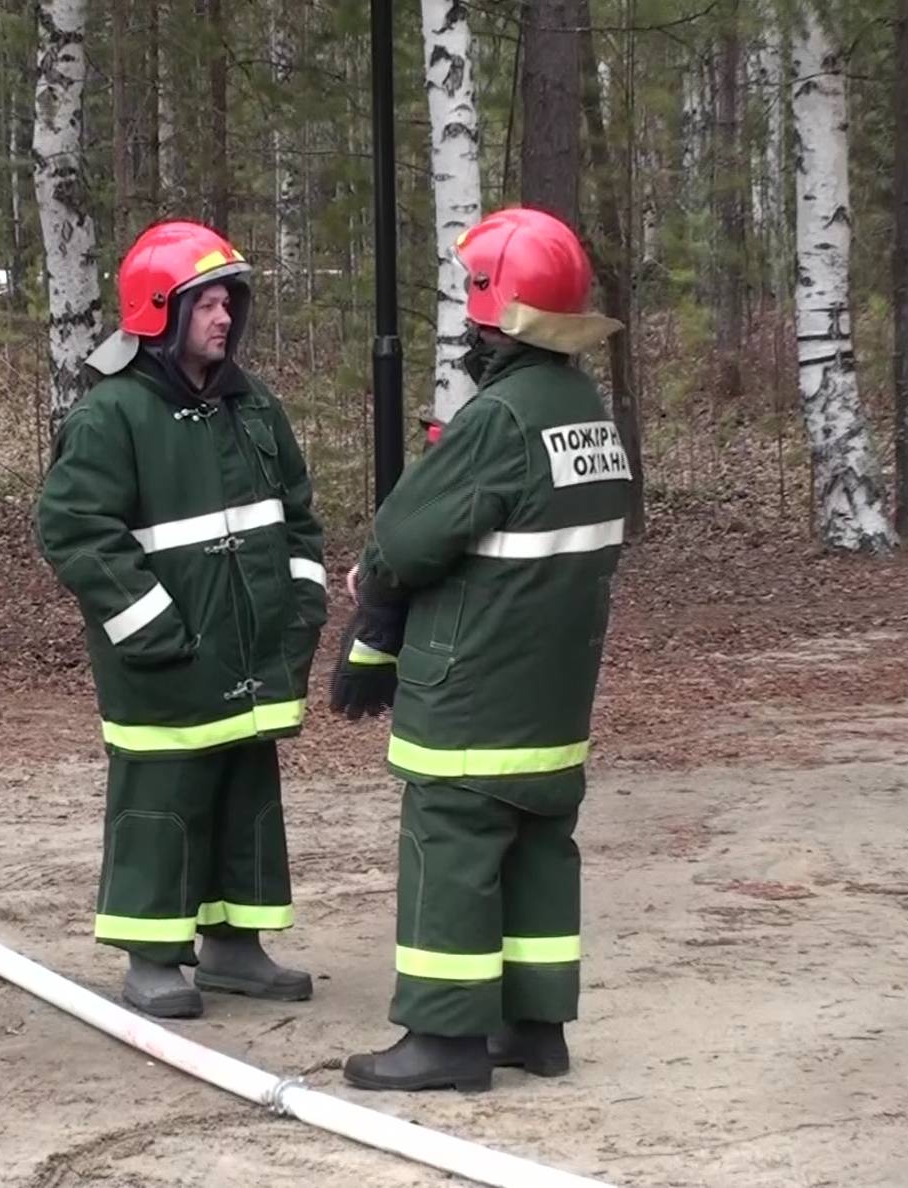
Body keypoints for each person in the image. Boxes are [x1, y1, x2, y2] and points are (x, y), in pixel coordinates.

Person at [329, 207, 631, 1092]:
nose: (466, 318)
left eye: (472, 299)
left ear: (497, 306)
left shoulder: (499, 418)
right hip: (553, 697)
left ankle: (445, 1039)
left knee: (451, 852)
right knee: (539, 850)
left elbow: (405, 536)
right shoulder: (586, 411)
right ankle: (534, 1028)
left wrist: (373, 585)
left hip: (474, 692)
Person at [35, 221, 329, 1019]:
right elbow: (73, 531)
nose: (223, 317)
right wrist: (152, 624)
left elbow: (297, 516)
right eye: (203, 302)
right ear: (159, 311)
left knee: (244, 792)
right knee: (162, 800)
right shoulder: (112, 416)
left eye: (229, 300)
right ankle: (152, 954)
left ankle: (236, 946)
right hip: (163, 659)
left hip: (250, 650)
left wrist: (302, 606)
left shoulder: (252, 404)